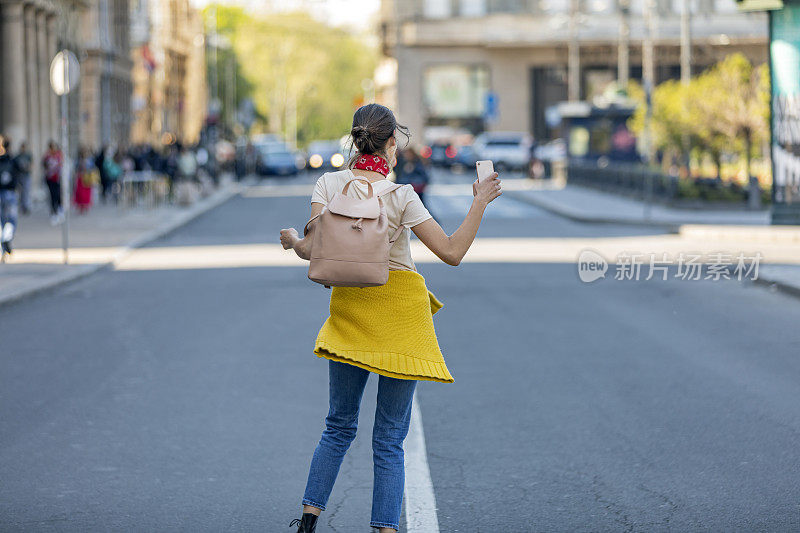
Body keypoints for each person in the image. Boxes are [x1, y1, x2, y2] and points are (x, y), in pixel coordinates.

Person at [279, 103, 502, 533]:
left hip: (351, 312)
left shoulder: (328, 184)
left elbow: (313, 251)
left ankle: (308, 521)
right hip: (401, 317)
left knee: (338, 425)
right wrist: (480, 201)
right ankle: (385, 528)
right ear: (389, 146)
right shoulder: (401, 197)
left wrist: (291, 239)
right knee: (389, 439)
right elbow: (452, 252)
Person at [0, 136, 19, 256]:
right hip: (10, 193)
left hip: (1, 192)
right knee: (11, 220)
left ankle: (3, 248)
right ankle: (7, 237)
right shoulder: (13, 160)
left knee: (2, 221)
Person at [42, 140, 64, 224]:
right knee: (52, 195)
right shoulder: (47, 156)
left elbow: (61, 165)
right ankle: (53, 213)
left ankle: (59, 209)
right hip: (50, 178)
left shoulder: (58, 155)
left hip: (57, 178)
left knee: (58, 194)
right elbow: (44, 165)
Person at [73, 147, 98, 214]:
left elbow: (92, 168)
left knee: (86, 193)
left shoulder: (89, 160)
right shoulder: (78, 160)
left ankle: (86, 205)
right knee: (80, 193)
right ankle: (81, 206)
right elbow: (76, 169)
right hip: (80, 178)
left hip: (87, 178)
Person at [13, 141, 32, 214]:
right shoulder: (18, 156)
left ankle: (26, 206)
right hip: (19, 176)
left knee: (26, 191)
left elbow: (31, 165)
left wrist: (27, 168)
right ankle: (22, 206)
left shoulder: (28, 155)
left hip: (26, 175)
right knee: (21, 192)